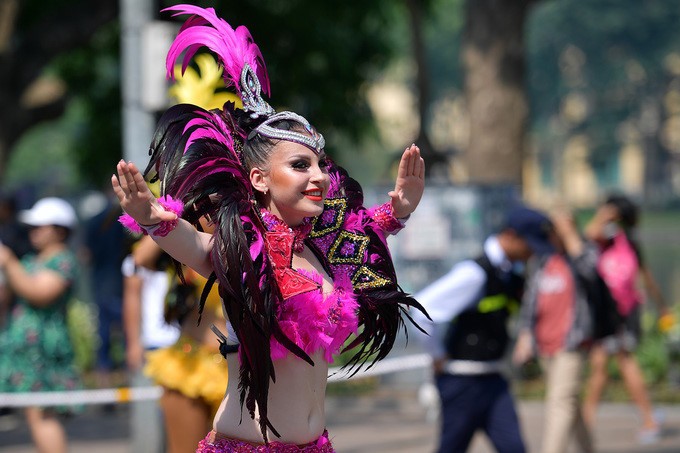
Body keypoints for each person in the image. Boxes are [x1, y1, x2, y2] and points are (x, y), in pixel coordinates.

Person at [111, 4, 427, 451]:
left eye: (318, 164)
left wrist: (401, 211)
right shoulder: (244, 249)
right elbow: (197, 246)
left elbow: (367, 231)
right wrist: (149, 218)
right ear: (259, 179)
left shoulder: (322, 247)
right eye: (300, 165)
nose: (317, 176)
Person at [412, 205, 553, 453]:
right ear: (510, 235)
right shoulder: (475, 273)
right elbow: (422, 310)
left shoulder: (509, 272)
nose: (532, 252)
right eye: (529, 244)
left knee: (514, 448)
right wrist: (436, 355)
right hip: (463, 382)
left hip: (494, 380)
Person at [582, 193, 669, 444]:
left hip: (620, 312)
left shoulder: (621, 239)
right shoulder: (611, 238)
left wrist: (662, 306)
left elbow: (646, 275)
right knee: (600, 366)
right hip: (613, 311)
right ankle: (585, 422)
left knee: (622, 362)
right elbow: (588, 236)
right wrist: (661, 305)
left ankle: (648, 419)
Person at [131, 233, 229, 453]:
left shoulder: (247, 228)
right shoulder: (185, 239)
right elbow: (140, 257)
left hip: (241, 368)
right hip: (189, 366)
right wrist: (177, 208)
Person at [0, 197, 82, 453]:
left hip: (44, 353)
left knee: (43, 416)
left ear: (59, 230)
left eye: (40, 226)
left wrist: (8, 262)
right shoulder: (29, 261)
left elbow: (39, 292)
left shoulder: (64, 261)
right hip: (23, 352)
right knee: (35, 415)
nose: (33, 231)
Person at [512, 209, 596, 453]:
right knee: (569, 403)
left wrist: (571, 237)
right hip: (545, 344)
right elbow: (531, 301)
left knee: (559, 403)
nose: (555, 235)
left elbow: (590, 272)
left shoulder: (581, 255)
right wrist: (525, 335)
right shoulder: (543, 259)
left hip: (572, 343)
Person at [122, 235, 181, 453]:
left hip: (185, 346)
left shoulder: (188, 252)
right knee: (151, 417)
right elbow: (132, 300)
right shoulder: (138, 259)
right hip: (154, 345)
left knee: (179, 423)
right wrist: (133, 343)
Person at [83, 191, 129, 391]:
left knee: (104, 340)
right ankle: (131, 386)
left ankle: (105, 388)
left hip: (102, 284)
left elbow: (86, 255)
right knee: (129, 336)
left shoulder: (93, 223)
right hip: (124, 285)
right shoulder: (126, 222)